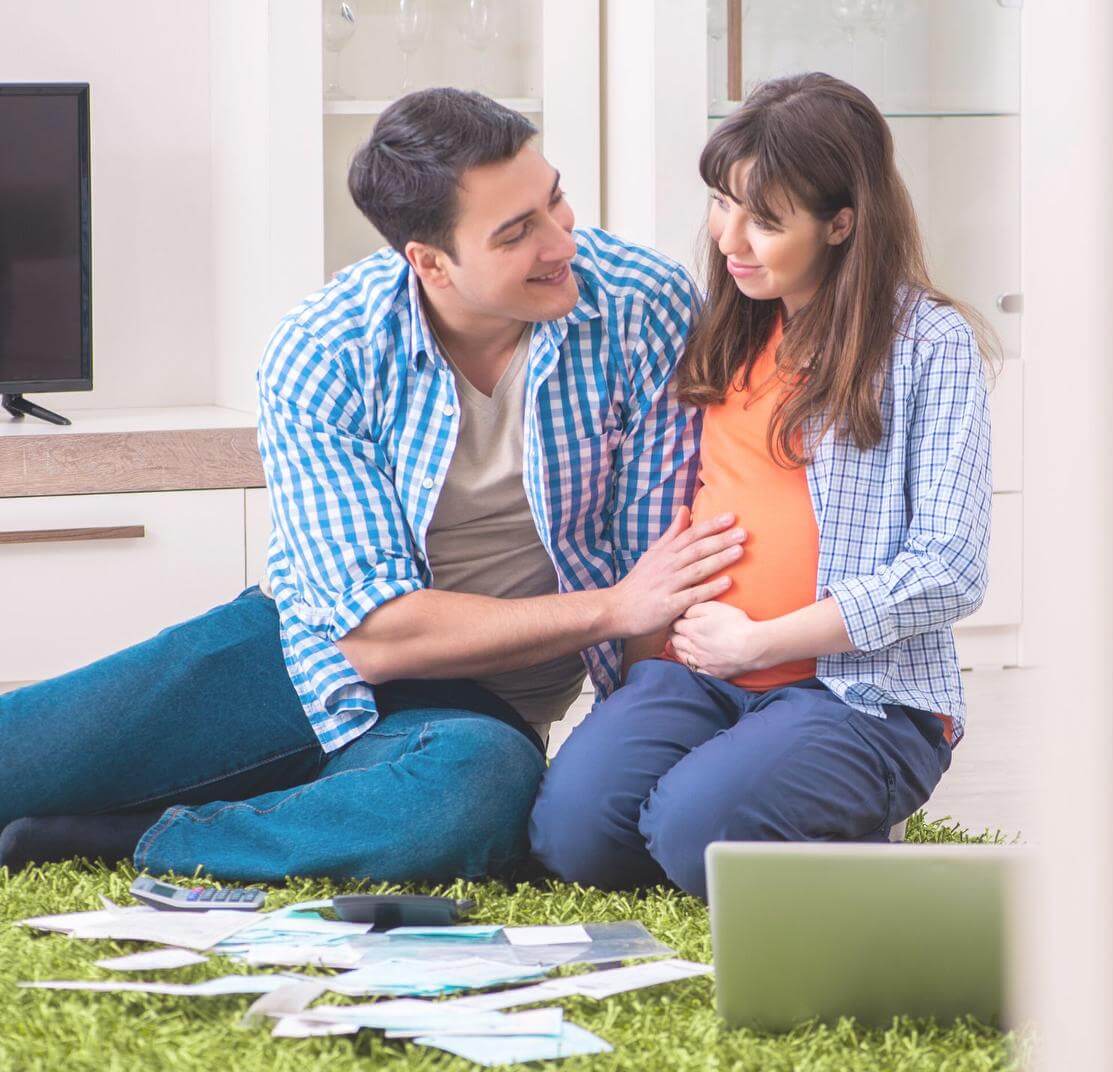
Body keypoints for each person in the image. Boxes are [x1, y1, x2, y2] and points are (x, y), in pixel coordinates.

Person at [0, 89, 743, 883]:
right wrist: (610, 606)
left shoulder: (642, 305)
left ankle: (112, 839)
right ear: (429, 260)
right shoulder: (324, 350)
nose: (563, 240)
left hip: (472, 716)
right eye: (517, 232)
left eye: (554, 197)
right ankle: (291, 803)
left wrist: (622, 759)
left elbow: (659, 563)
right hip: (293, 656)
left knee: (470, 794)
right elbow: (373, 635)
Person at [528, 72, 996, 900]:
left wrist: (763, 643)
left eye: (767, 220)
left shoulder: (929, 343)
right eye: (722, 203)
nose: (731, 238)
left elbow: (951, 564)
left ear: (842, 223)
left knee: (690, 830)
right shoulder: (726, 325)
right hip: (696, 675)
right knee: (575, 838)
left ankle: (825, 810)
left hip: (855, 693)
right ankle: (769, 803)